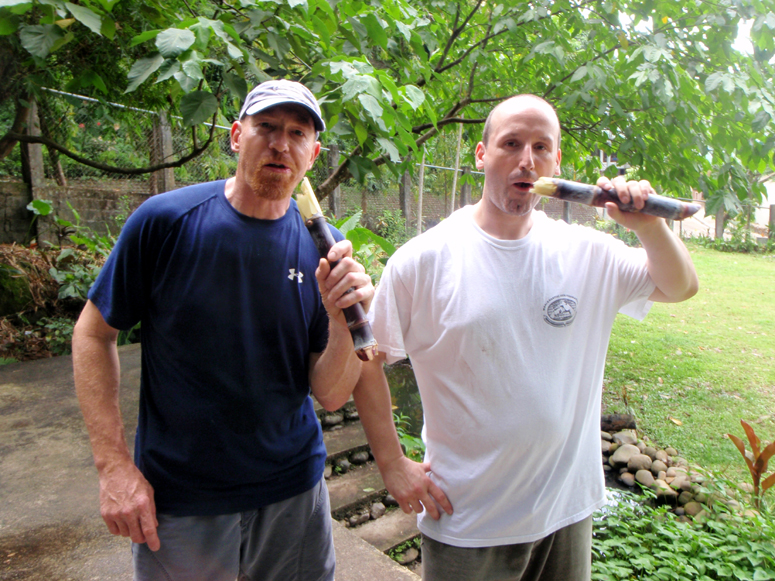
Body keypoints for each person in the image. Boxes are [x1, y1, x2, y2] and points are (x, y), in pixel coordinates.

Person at [353, 94, 698, 581]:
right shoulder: (423, 260)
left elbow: (680, 286)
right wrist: (391, 463)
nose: (526, 159)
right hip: (468, 521)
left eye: (541, 146)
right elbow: (368, 358)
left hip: (566, 511)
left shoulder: (588, 252)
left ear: (557, 160)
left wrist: (649, 226)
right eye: (510, 143)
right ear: (481, 154)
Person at [72, 79, 374, 581]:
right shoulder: (166, 222)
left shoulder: (327, 247)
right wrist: (114, 468)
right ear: (236, 136)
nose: (281, 143)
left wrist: (344, 321)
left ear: (313, 153)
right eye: (266, 128)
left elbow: (331, 394)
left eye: (298, 133)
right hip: (183, 497)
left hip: (294, 493)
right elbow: (92, 334)